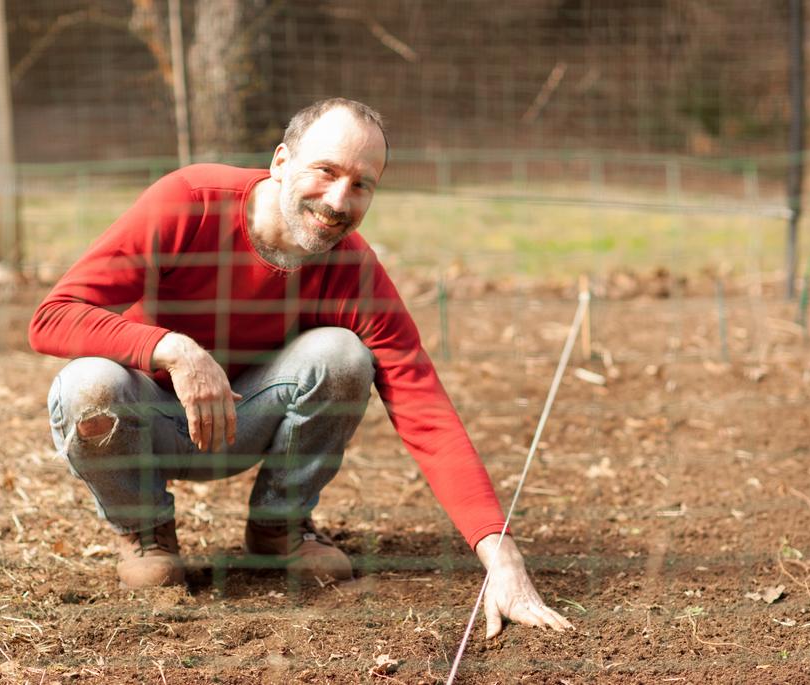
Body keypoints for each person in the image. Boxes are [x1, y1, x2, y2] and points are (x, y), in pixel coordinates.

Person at [29, 98, 572, 636]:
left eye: (362, 185)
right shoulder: (191, 201)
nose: (339, 200)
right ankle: (144, 531)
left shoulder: (352, 270)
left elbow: (423, 405)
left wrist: (500, 554)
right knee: (88, 383)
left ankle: (278, 528)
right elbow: (51, 317)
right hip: (147, 423)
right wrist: (172, 348)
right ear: (282, 161)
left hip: (249, 422)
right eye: (326, 171)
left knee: (343, 354)